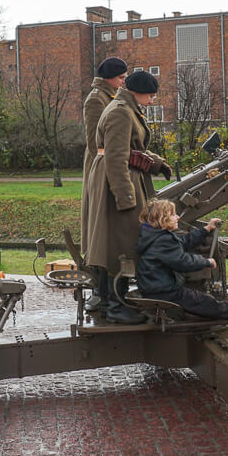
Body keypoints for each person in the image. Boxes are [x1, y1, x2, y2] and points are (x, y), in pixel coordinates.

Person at [85, 71, 171, 324]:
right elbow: (115, 157)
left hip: (120, 180)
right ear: (138, 92)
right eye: (150, 95)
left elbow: (133, 150)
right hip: (116, 184)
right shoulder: (121, 111)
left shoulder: (124, 107)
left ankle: (112, 300)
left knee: (116, 244)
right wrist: (125, 198)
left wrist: (156, 163)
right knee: (118, 247)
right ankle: (114, 305)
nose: (152, 100)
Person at [135, 199, 228, 321]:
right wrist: (206, 262)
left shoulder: (154, 236)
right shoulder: (164, 240)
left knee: (197, 299)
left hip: (155, 286)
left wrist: (206, 230)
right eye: (173, 215)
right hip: (164, 291)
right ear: (162, 218)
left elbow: (184, 242)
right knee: (203, 301)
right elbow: (182, 261)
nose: (178, 217)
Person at [81, 57, 127, 313]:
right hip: (101, 169)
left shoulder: (110, 97)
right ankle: (101, 290)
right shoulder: (96, 100)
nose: (123, 82)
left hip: (111, 163)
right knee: (101, 230)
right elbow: (94, 142)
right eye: (121, 78)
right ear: (110, 78)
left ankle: (108, 289)